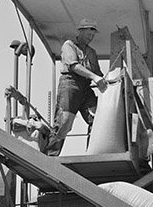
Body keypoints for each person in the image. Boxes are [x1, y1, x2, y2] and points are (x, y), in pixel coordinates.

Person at [41, 18, 108, 156]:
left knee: (97, 118)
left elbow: (98, 74)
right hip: (70, 85)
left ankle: (92, 154)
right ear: (80, 31)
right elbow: (74, 66)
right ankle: (50, 157)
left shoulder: (92, 52)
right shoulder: (69, 45)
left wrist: (110, 80)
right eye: (89, 34)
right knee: (64, 122)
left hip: (85, 87)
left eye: (93, 35)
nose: (91, 37)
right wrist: (95, 77)